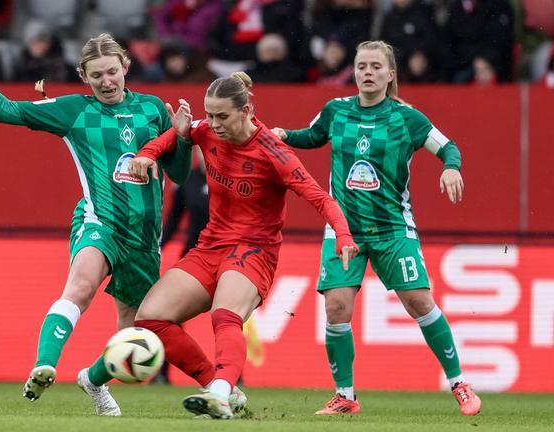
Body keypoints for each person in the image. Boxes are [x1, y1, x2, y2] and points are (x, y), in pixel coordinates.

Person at [0, 33, 191, 416]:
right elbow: (5, 111)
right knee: (81, 286)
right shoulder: (75, 110)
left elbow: (178, 174)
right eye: (96, 76)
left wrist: (183, 136)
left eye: (112, 72)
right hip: (100, 221)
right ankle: (44, 365)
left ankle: (94, 383)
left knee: (134, 328)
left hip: (144, 237)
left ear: (126, 68)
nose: (106, 81)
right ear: (83, 76)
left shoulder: (153, 109)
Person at [129, 72, 358, 419]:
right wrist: (147, 154)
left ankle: (219, 393)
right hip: (210, 245)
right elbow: (175, 137)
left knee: (225, 316)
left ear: (246, 109)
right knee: (149, 318)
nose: (214, 124)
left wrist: (343, 234)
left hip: (254, 250)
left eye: (223, 116)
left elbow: (320, 198)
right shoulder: (206, 131)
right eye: (210, 114)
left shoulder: (274, 152)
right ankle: (222, 389)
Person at [271, 40, 480, 416]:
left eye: (375, 66)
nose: (367, 72)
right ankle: (345, 396)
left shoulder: (407, 118)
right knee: (336, 307)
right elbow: (311, 136)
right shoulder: (336, 111)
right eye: (361, 66)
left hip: (392, 231)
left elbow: (449, 147)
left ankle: (459, 382)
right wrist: (286, 135)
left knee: (419, 302)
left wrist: (451, 167)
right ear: (354, 71)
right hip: (344, 231)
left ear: (390, 74)